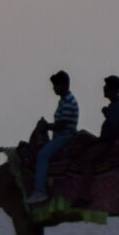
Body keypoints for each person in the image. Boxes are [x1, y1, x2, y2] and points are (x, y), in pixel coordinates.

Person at [27, 70, 79, 203]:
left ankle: (40, 191)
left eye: (56, 85)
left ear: (64, 85)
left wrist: (47, 126)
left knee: (42, 156)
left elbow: (62, 124)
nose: (54, 88)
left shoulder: (68, 102)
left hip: (64, 136)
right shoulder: (64, 100)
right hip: (61, 135)